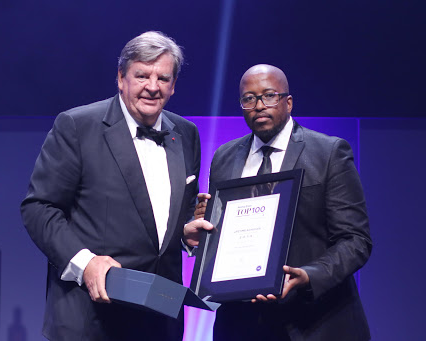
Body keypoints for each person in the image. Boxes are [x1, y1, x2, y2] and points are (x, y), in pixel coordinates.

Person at [21, 31, 210, 341]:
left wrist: (185, 231)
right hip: (91, 317)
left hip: (159, 320)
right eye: (142, 75)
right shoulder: (77, 126)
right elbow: (39, 208)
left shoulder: (186, 135)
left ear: (174, 86)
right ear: (121, 78)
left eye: (163, 78)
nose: (152, 86)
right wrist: (86, 263)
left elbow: (171, 214)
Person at [194, 64, 372, 341]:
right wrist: (205, 232)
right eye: (248, 98)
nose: (259, 105)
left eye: (269, 96)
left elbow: (355, 240)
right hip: (241, 325)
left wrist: (310, 275)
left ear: (288, 103)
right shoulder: (224, 157)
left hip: (315, 321)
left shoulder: (329, 152)